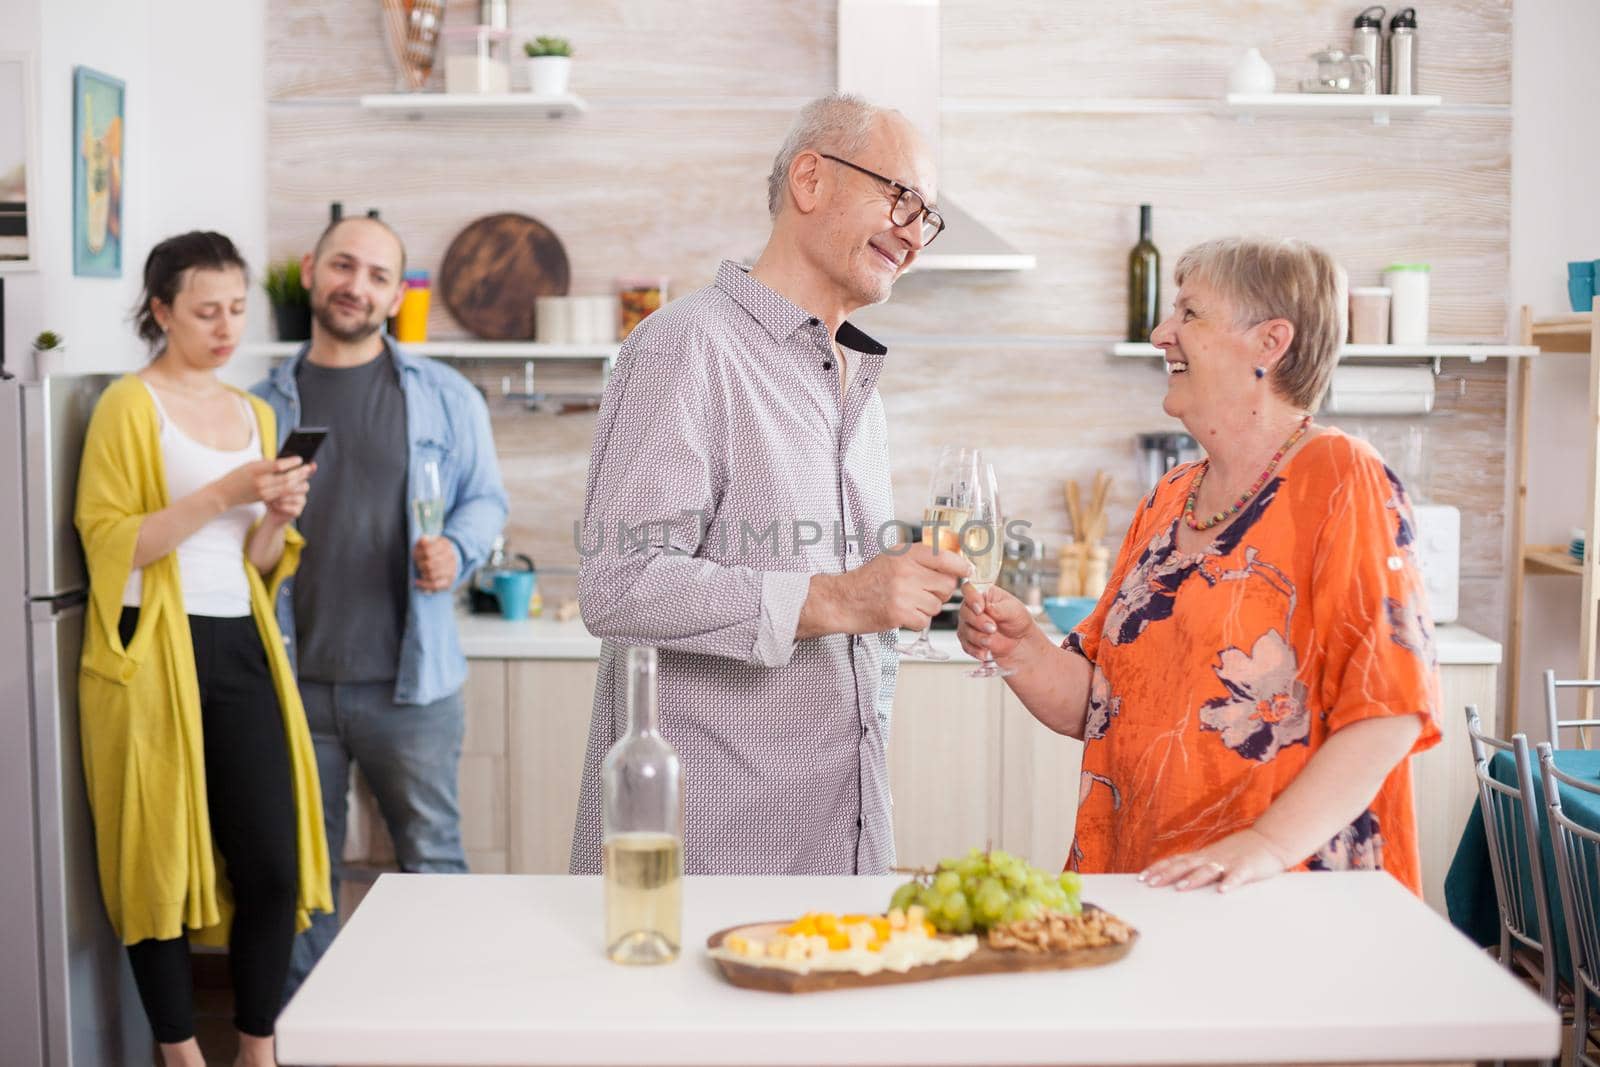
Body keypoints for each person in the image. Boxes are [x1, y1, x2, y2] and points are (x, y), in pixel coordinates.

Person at [959, 236, 1442, 895]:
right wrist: (1020, 648)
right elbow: (1099, 704)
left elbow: (1391, 709)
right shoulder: (1169, 499)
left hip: (1286, 898)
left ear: (1270, 343)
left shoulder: (1340, 477)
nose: (1162, 334)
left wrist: (1264, 845)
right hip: (1150, 885)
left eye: (1189, 314)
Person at [570, 92, 971, 877]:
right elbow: (618, 586)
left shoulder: (860, 390)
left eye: (929, 217)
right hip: (707, 861)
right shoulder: (685, 347)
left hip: (838, 849)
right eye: (901, 198)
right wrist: (843, 598)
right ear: (811, 180)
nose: (914, 234)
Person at [76, 231, 331, 1067]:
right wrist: (224, 489)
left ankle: (255, 1048)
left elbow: (255, 565)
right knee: (156, 865)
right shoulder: (128, 405)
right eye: (205, 310)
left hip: (242, 645)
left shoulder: (255, 412)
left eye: (235, 308)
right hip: (153, 653)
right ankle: (181, 1054)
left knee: (272, 865)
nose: (226, 328)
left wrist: (277, 518)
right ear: (161, 311)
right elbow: (112, 541)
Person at [253, 216, 508, 997]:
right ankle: (308, 1036)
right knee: (305, 882)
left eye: (375, 275)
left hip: (414, 687)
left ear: (396, 295)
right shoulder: (259, 405)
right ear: (311, 269)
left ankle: (446, 1024)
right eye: (342, 265)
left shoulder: (444, 395)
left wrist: (457, 551)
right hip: (292, 686)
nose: (355, 285)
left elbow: (487, 502)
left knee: (432, 863)